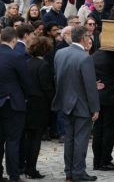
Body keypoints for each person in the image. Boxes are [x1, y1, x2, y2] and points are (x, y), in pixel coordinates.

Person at [51, 26, 100, 182]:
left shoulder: (59, 53)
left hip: (65, 103)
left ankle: (69, 173)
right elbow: (90, 86)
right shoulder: (85, 57)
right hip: (81, 105)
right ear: (83, 38)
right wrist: (95, 108)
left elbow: (56, 78)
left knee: (69, 140)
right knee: (80, 140)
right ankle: (78, 172)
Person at [0, 27, 30, 182]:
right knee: (12, 141)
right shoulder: (16, 56)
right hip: (13, 104)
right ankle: (14, 175)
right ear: (13, 40)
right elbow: (26, 82)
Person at [24, 36, 55, 179]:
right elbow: (47, 87)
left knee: (27, 137)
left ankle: (25, 166)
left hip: (27, 103)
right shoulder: (43, 65)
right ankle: (31, 168)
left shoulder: (26, 63)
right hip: (39, 106)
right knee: (35, 139)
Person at [91, 50, 114, 171]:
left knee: (98, 128)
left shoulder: (94, 55)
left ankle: (97, 160)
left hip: (97, 96)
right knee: (109, 129)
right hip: (110, 97)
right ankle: (105, 160)